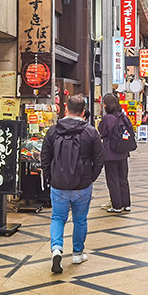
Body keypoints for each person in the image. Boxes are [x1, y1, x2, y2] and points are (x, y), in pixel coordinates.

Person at [40, 94, 104, 274]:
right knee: (80, 219)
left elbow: (45, 158)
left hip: (58, 184)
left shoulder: (53, 131)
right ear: (83, 112)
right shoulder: (91, 132)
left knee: (58, 218)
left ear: (65, 109)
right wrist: (91, 177)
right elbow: (99, 160)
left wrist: (49, 177)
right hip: (82, 184)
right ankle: (77, 254)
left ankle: (56, 249)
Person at [99, 93, 134, 214]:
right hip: (123, 152)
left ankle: (117, 205)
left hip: (110, 153)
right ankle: (126, 204)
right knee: (123, 178)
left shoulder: (108, 118)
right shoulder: (122, 116)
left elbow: (102, 132)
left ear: (106, 105)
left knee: (113, 179)